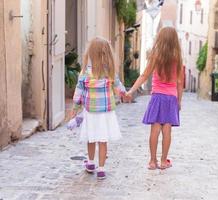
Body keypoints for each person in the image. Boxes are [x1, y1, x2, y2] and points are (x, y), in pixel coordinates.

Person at [126, 27, 183, 170]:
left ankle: (152, 161)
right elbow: (180, 82)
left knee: (155, 129)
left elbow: (144, 75)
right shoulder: (178, 59)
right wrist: (179, 101)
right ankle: (164, 161)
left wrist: (131, 90)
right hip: (171, 98)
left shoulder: (155, 56)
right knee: (167, 129)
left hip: (157, 96)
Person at [71, 37, 127, 179]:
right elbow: (118, 86)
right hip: (106, 112)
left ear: (90, 53)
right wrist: (124, 93)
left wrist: (75, 107)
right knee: (103, 140)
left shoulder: (85, 73)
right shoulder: (110, 72)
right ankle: (101, 169)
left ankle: (90, 163)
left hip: (90, 111)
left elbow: (79, 91)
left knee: (91, 137)